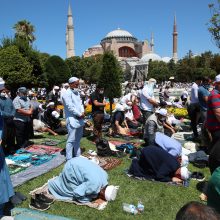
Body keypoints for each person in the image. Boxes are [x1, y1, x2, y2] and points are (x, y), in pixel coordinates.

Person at [48, 156, 119, 203]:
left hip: (78, 160)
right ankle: (53, 184)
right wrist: (89, 199)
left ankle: (63, 179)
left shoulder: (105, 176)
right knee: (68, 192)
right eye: (102, 198)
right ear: (102, 193)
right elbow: (77, 193)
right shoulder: (94, 185)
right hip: (71, 166)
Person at [62, 77, 85, 160]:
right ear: (70, 84)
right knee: (71, 139)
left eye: (78, 84)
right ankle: (69, 158)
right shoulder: (66, 93)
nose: (77, 85)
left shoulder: (77, 93)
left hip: (79, 118)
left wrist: (82, 112)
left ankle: (77, 155)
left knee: (78, 139)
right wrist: (79, 114)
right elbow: (70, 107)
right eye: (76, 84)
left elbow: (81, 104)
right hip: (72, 118)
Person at [206, 74, 220, 152]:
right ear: (217, 84)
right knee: (217, 147)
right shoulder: (215, 95)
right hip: (216, 126)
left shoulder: (217, 94)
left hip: (215, 125)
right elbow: (218, 113)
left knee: (215, 145)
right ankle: (213, 162)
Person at [0, 87, 16, 155]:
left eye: (5, 92)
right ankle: (2, 152)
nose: (4, 93)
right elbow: (0, 112)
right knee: (3, 137)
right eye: (3, 92)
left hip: (10, 120)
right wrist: (9, 115)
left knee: (11, 136)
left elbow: (13, 108)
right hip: (2, 121)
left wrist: (12, 114)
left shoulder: (9, 100)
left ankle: (11, 150)